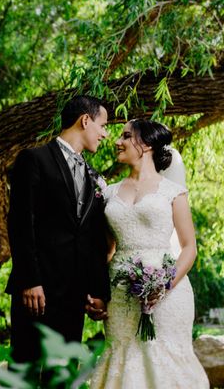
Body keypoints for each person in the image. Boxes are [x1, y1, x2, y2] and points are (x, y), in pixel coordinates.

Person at [90, 119, 208, 388]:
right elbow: (106, 250)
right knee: (123, 355)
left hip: (170, 293)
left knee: (163, 358)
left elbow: (189, 247)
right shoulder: (108, 194)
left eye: (126, 136)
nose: (117, 141)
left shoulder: (173, 192)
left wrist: (164, 285)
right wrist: (97, 292)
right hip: (119, 294)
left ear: (146, 145)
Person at [6, 95, 112, 363]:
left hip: (74, 296)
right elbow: (20, 223)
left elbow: (93, 238)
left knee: (63, 375)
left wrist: (98, 292)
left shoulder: (94, 177)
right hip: (36, 292)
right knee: (25, 371)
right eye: (103, 125)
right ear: (85, 120)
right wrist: (30, 280)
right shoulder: (34, 159)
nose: (106, 134)